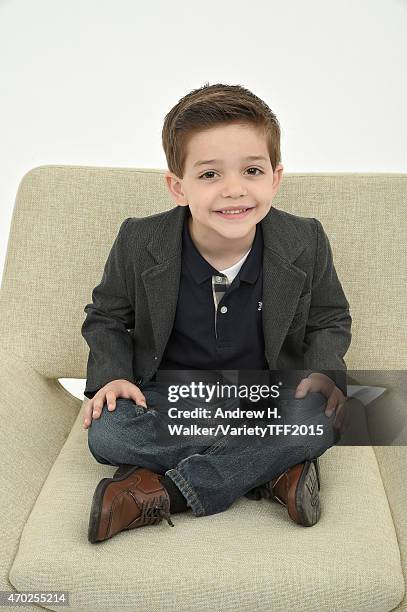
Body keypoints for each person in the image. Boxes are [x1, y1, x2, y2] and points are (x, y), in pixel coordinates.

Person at [81, 82, 352, 544]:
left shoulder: (304, 240)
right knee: (105, 432)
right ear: (177, 186)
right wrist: (113, 376)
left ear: (275, 178)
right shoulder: (138, 240)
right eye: (209, 175)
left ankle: (164, 491)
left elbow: (329, 318)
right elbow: (106, 315)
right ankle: (270, 472)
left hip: (265, 399)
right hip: (171, 397)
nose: (234, 190)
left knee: (331, 416)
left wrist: (323, 372)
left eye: (251, 170)